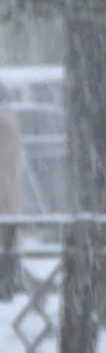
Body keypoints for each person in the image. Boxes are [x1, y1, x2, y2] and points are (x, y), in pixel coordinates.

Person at [0, 93, 23, 300]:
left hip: (5, 197)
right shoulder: (8, 121)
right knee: (7, 243)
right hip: (7, 198)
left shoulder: (4, 124)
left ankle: (7, 284)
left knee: (7, 243)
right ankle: (8, 282)